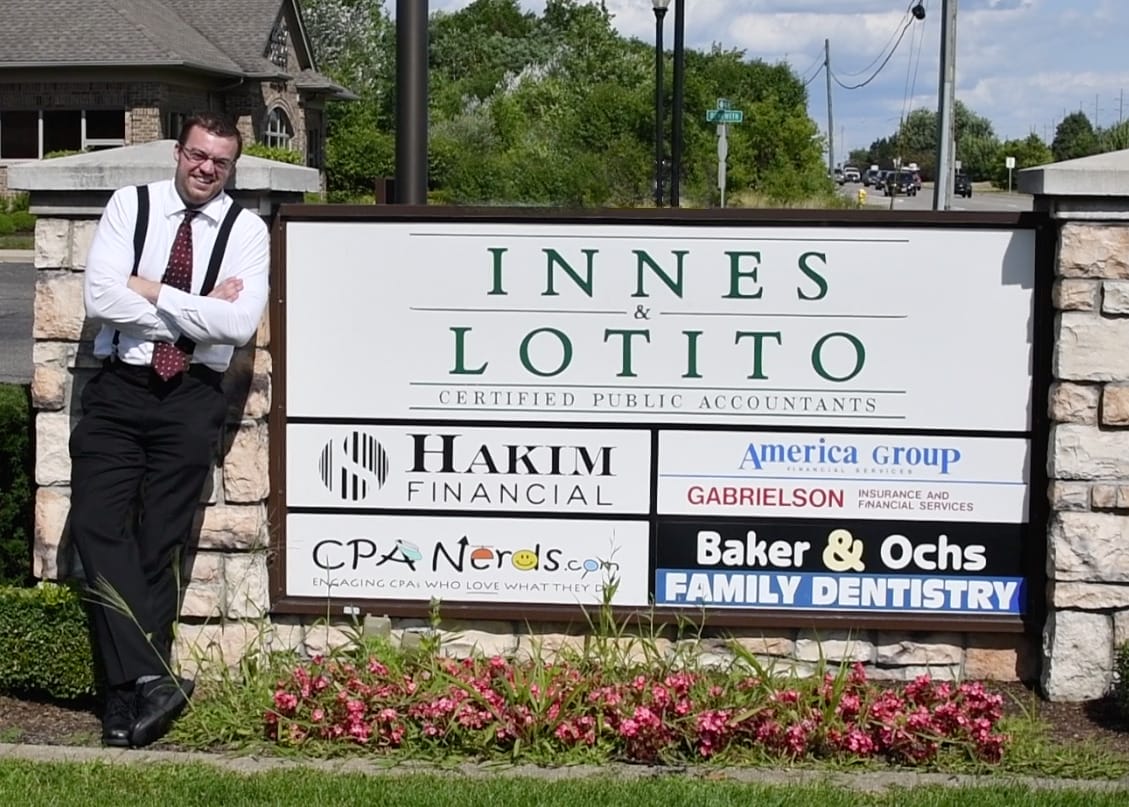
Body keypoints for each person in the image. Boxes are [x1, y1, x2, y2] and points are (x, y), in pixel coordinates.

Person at [69, 112, 269, 748]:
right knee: (98, 528)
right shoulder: (131, 205)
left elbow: (238, 326)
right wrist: (197, 309)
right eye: (197, 155)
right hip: (119, 389)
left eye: (220, 161)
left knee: (159, 545)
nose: (206, 169)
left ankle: (126, 707)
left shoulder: (247, 229)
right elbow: (102, 300)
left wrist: (151, 291)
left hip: (191, 398)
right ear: (178, 153)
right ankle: (155, 680)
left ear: (231, 166)